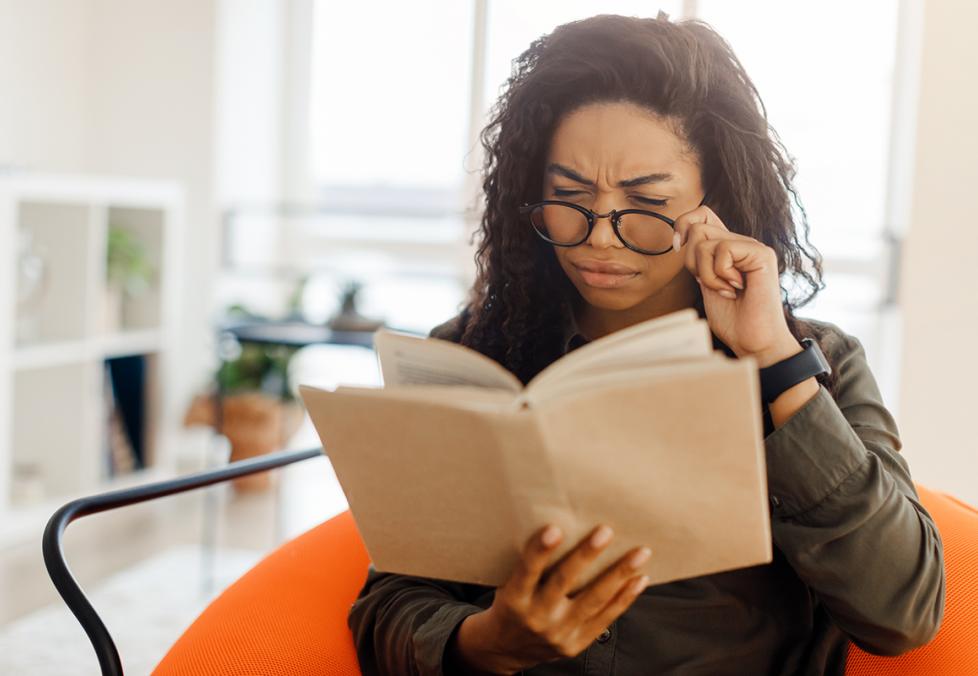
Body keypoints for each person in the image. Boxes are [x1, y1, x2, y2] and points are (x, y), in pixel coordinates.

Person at [348, 13, 945, 675]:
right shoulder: (472, 353)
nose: (599, 237)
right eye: (568, 196)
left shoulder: (813, 361)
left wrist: (773, 362)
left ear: (712, 201)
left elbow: (904, 613)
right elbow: (392, 602)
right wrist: (487, 641)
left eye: (646, 200)